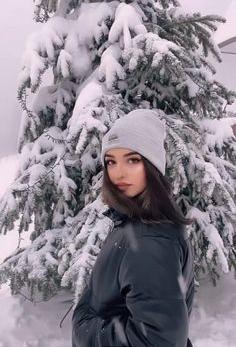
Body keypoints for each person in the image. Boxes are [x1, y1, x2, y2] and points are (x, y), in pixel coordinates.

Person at [72, 109, 195, 347]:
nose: (119, 172)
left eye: (133, 160)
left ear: (152, 165)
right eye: (111, 161)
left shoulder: (149, 240)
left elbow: (159, 341)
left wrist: (86, 331)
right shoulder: (136, 222)